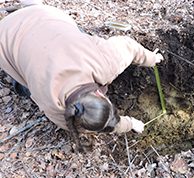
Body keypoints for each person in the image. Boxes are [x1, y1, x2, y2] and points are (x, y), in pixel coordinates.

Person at [0, 1, 163, 151]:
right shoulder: (55, 109)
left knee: (77, 37)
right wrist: (128, 124)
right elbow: (93, 126)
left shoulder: (104, 62)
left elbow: (129, 46)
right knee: (24, 87)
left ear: (99, 94)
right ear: (100, 92)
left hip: (42, 17)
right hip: (7, 36)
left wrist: (151, 59)